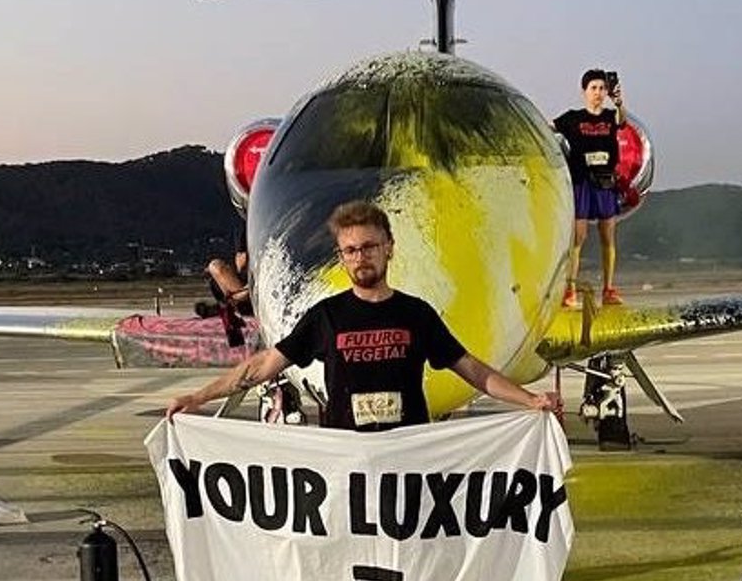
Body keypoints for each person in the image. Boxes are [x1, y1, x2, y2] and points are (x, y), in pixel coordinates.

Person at [166, 201, 559, 429]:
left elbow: (473, 370)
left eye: (370, 246)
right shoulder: (326, 316)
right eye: (351, 250)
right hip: (347, 461)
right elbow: (261, 367)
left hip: (408, 459)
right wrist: (197, 397)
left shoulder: (415, 314)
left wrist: (529, 400)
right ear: (341, 257)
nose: (361, 256)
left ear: (389, 248)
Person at [552, 68, 629, 307]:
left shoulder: (609, 116)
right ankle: (570, 289)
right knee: (578, 237)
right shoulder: (572, 118)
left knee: (608, 235)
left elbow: (622, 120)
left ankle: (608, 289)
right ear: (584, 91)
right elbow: (548, 126)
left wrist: (619, 102)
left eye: (601, 88)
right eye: (593, 88)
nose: (597, 93)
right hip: (580, 182)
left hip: (604, 181)